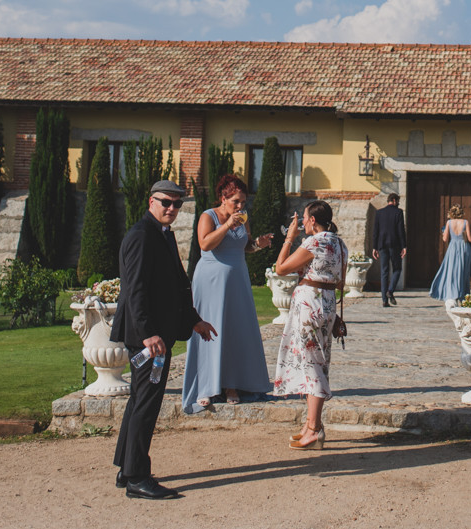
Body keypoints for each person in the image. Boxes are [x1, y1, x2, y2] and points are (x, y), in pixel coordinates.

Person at [110, 180, 216, 500]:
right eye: (165, 202)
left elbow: (175, 284)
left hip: (157, 334)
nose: (171, 209)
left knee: (140, 400)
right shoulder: (142, 236)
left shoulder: (161, 234)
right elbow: (135, 290)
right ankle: (137, 477)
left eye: (177, 204)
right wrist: (147, 334)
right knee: (146, 402)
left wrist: (193, 320)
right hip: (148, 339)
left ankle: (125, 467)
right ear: (151, 201)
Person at [180, 173, 274, 411]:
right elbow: (205, 244)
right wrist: (226, 225)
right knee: (209, 330)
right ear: (223, 198)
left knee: (235, 330)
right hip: (210, 281)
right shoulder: (208, 216)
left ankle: (232, 385)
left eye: (243, 202)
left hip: (237, 280)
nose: (241, 206)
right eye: (236, 202)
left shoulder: (243, 218)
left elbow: (245, 245)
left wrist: (258, 245)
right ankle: (205, 386)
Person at [273, 199, 348, 450]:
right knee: (318, 362)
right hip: (327, 305)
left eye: (304, 218)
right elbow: (340, 282)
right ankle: (310, 424)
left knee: (311, 364)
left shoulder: (313, 241)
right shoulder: (340, 243)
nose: (302, 222)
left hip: (309, 305)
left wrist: (289, 238)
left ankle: (314, 428)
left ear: (312, 220)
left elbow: (281, 268)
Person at [428, 205, 471, 302]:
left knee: (451, 270)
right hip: (464, 247)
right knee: (463, 270)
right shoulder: (465, 222)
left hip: (453, 247)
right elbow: (470, 239)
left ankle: (452, 292)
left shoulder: (449, 222)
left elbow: (445, 239)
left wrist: (443, 233)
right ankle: (462, 293)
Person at [372, 193, 406, 306]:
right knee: (397, 269)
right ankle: (390, 291)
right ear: (394, 200)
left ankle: (384, 300)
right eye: (398, 201)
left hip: (381, 244)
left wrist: (374, 247)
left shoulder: (379, 213)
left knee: (384, 271)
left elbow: (375, 231)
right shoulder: (398, 212)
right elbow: (401, 230)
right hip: (394, 244)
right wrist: (404, 246)